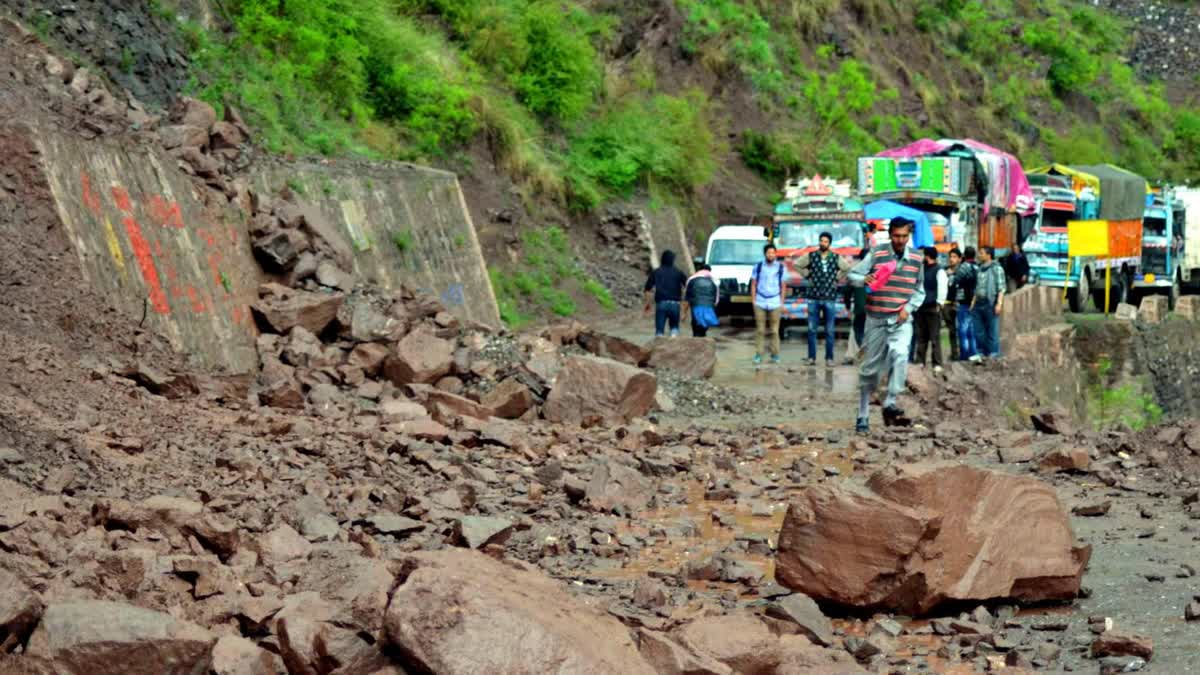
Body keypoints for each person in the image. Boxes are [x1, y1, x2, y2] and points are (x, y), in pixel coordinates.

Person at [848, 217, 925, 433]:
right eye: (897, 236)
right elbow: (852, 274)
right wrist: (864, 280)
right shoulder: (877, 254)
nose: (900, 240)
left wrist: (908, 308)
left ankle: (890, 401)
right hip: (876, 319)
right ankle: (862, 414)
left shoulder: (917, 258)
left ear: (909, 236)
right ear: (890, 235)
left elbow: (919, 290)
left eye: (904, 236)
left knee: (900, 354)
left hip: (901, 319)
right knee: (869, 370)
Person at [793, 231, 850, 367]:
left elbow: (847, 268)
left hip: (829, 297)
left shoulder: (835, 257)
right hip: (813, 297)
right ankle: (811, 358)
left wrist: (837, 277)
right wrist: (807, 275)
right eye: (821, 241)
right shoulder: (811, 256)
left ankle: (829, 358)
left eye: (825, 241)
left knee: (829, 330)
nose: (822, 243)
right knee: (812, 329)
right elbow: (797, 264)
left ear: (829, 243)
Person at [913, 246, 948, 372]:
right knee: (921, 336)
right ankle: (920, 361)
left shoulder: (939, 271)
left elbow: (942, 287)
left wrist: (940, 303)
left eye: (923, 255)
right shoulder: (921, 269)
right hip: (921, 307)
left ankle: (937, 363)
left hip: (933, 307)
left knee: (934, 337)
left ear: (927, 256)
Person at [750, 243, 786, 365]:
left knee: (774, 331)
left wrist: (781, 301)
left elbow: (783, 285)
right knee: (760, 330)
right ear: (765, 254)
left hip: (775, 301)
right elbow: (754, 283)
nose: (771, 255)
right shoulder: (758, 266)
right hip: (760, 301)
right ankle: (758, 354)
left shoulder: (780, 267)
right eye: (768, 253)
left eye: (773, 253)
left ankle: (775, 354)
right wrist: (754, 300)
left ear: (776, 254)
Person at [971, 245, 1006, 361]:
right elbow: (977, 287)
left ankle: (993, 354)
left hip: (990, 303)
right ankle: (981, 353)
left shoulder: (997, 269)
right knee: (979, 331)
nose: (979, 255)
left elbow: (1001, 288)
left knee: (992, 331)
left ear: (988, 255)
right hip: (978, 303)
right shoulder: (979, 269)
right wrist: (973, 302)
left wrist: (999, 303)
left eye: (981, 253)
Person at [643, 249, 688, 337]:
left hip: (661, 304)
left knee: (659, 331)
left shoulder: (656, 272)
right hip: (675, 304)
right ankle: (673, 342)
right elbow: (688, 286)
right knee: (674, 328)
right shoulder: (678, 272)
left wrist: (648, 304)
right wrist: (685, 307)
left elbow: (647, 289)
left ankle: (659, 347)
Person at [951, 247, 979, 362]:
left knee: (962, 329)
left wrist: (952, 276)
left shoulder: (963, 267)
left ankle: (964, 354)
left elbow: (955, 281)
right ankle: (973, 352)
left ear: (963, 256)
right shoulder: (977, 267)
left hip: (963, 301)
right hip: (974, 300)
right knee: (971, 329)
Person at [683, 264, 720, 337]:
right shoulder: (715, 279)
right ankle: (703, 340)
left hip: (695, 305)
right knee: (704, 326)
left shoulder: (691, 279)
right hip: (708, 305)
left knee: (696, 325)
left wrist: (684, 312)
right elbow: (716, 299)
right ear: (710, 270)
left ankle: (696, 339)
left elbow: (687, 298)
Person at [943, 248, 961, 361]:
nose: (951, 259)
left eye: (954, 257)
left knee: (961, 329)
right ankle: (954, 353)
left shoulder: (961, 271)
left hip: (958, 303)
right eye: (950, 257)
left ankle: (962, 352)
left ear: (959, 259)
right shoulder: (944, 271)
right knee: (951, 330)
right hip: (947, 303)